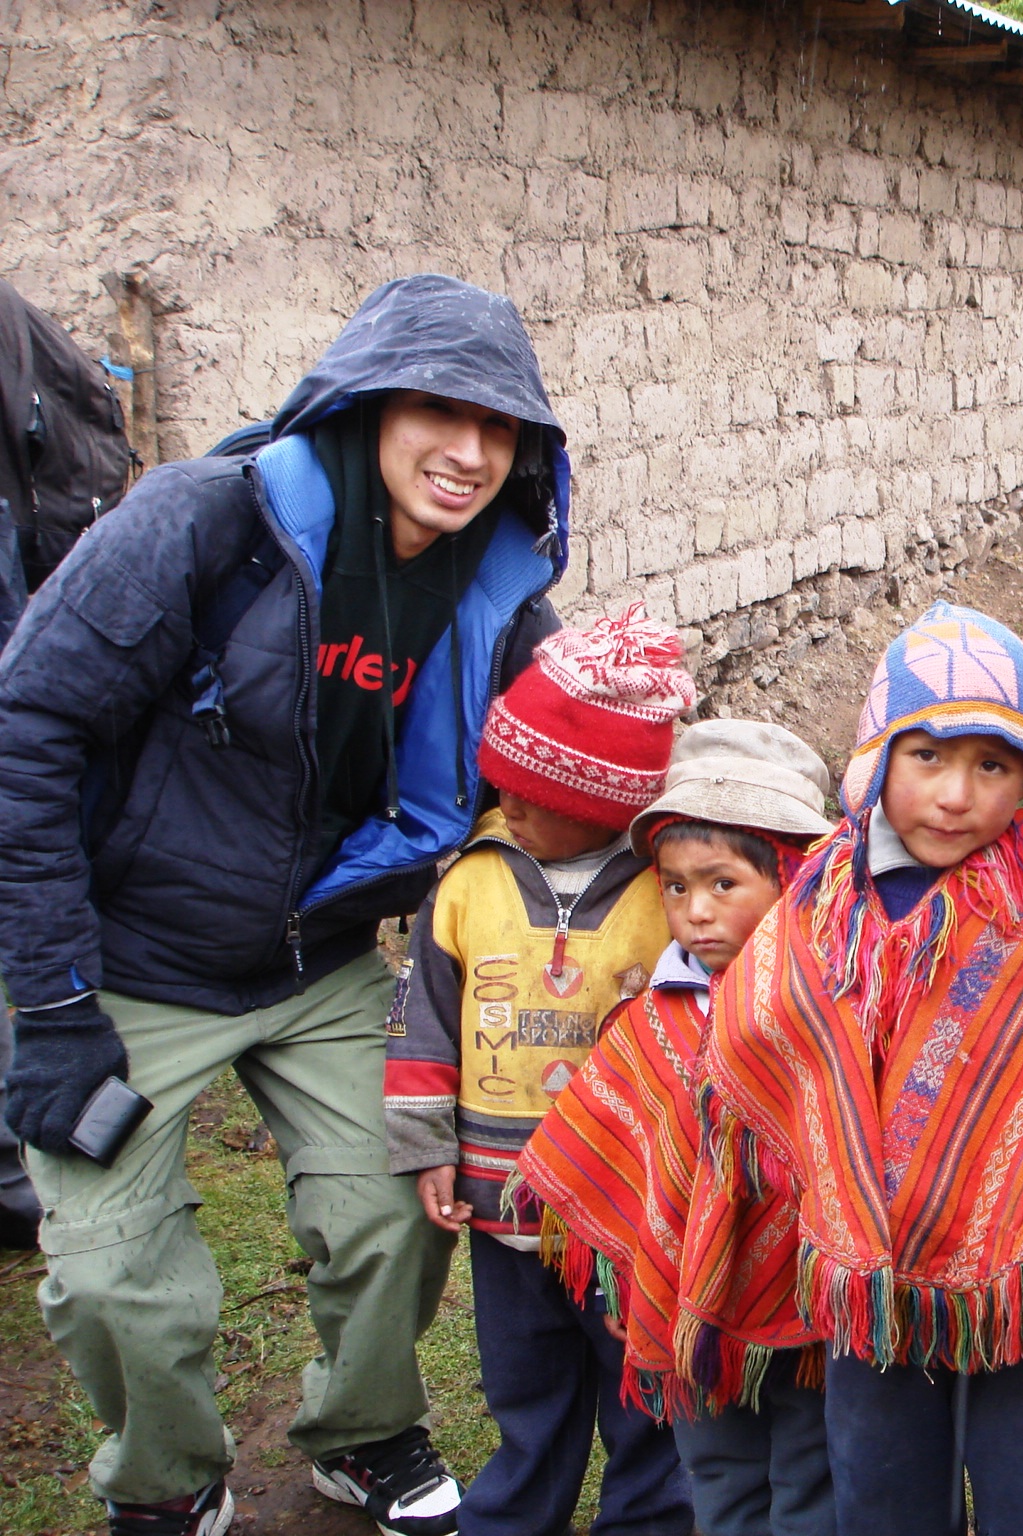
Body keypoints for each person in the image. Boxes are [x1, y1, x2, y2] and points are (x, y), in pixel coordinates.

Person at [0, 273, 571, 1536]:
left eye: (501, 427)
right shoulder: (209, 524)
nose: (470, 452)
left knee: (401, 1202)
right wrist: (53, 1002)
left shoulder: (496, 591)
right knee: (111, 1277)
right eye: (438, 410)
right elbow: (25, 727)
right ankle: (168, 1482)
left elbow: (558, 767)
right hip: (134, 957)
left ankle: (360, 1434)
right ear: (365, 405)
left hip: (321, 955)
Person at [666, 602, 1023, 1536]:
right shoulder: (826, 896)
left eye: (992, 765)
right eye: (928, 757)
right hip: (867, 1264)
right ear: (878, 759)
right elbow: (761, 1037)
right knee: (881, 1483)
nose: (956, 795)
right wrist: (816, 1173)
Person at [382, 605, 696, 1536]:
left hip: (624, 1207)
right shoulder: (469, 881)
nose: (508, 806)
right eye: (502, 785)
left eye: (534, 796)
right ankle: (516, 1515)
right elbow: (424, 1021)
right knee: (523, 1381)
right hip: (498, 1196)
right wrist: (427, 1148)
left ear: (605, 805)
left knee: (640, 1382)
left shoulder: (664, 895)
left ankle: (649, 1519)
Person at [513, 718, 840, 1536]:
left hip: (812, 1314)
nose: (696, 912)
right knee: (717, 1469)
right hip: (690, 1307)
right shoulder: (650, 1023)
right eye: (675, 886)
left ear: (794, 876)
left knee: (813, 1471)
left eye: (723, 884)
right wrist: (632, 1280)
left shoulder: (835, 1013)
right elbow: (620, 1163)